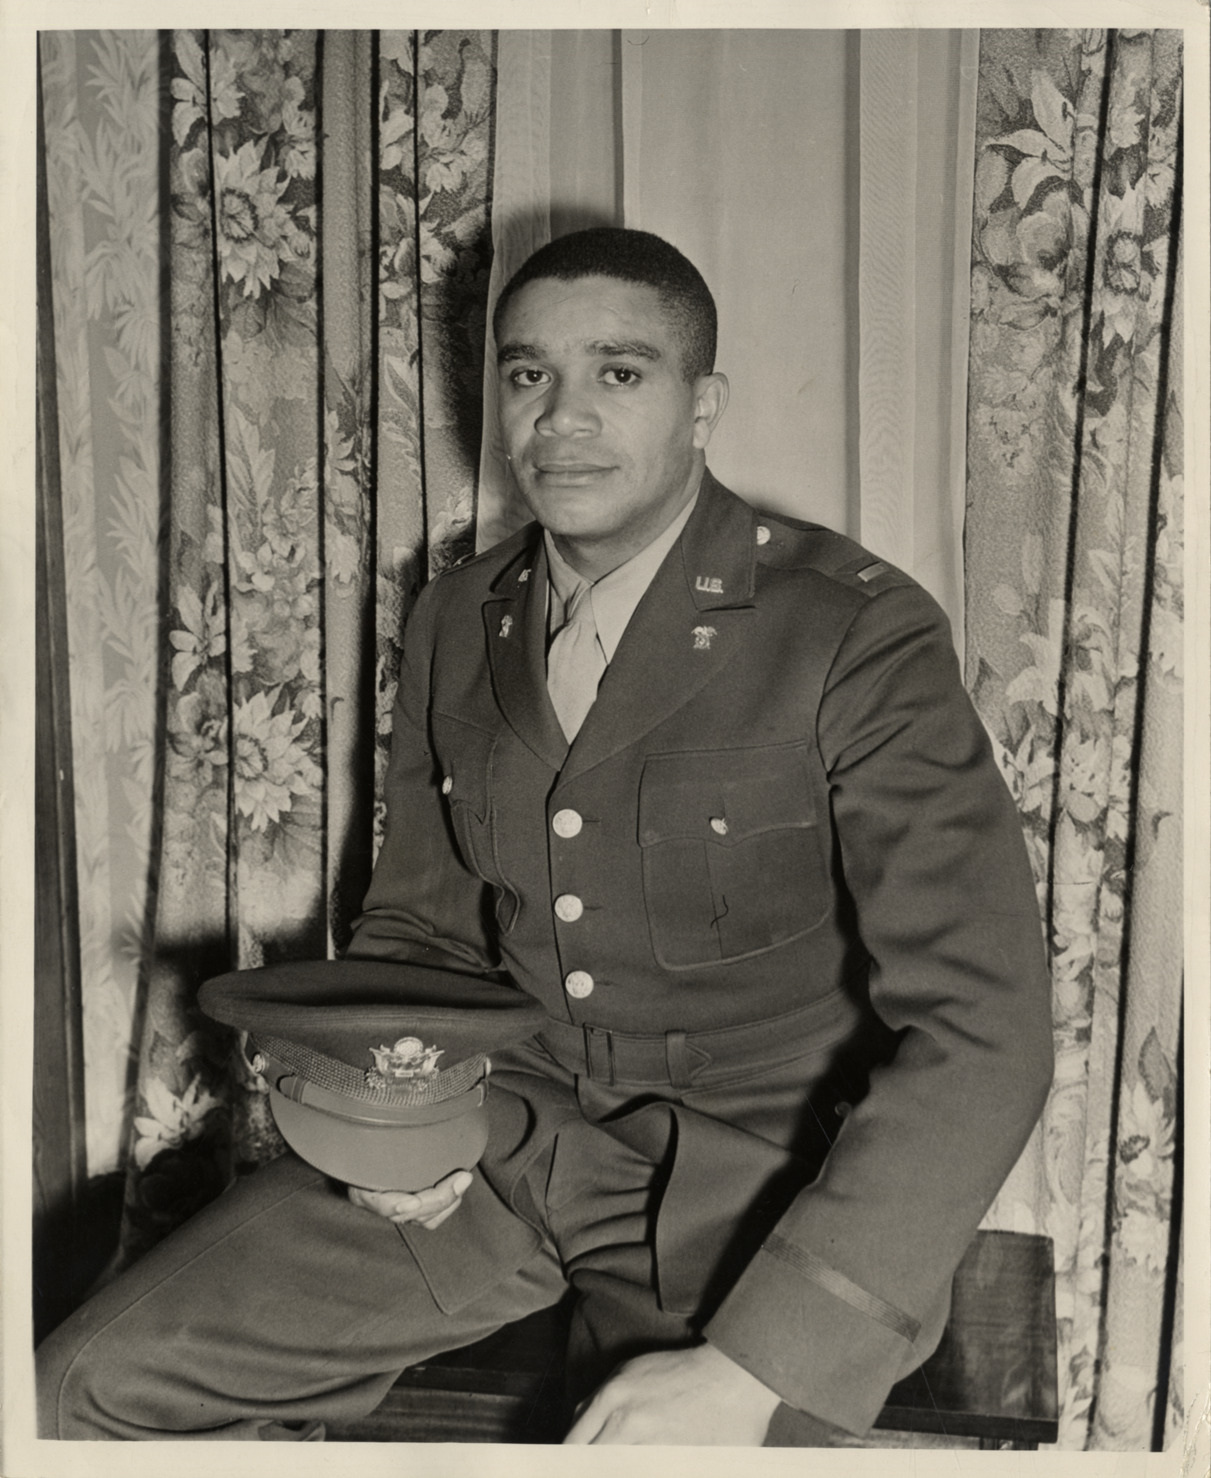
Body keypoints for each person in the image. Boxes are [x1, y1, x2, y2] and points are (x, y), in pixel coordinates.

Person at [36, 227, 1054, 1446]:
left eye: (618, 371)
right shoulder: (459, 613)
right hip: (499, 1144)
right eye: (528, 374)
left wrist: (751, 1367)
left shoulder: (848, 631)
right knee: (82, 1389)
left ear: (702, 405)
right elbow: (421, 927)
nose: (561, 416)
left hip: (752, 1187)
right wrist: (401, 1127)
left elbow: (983, 1028)